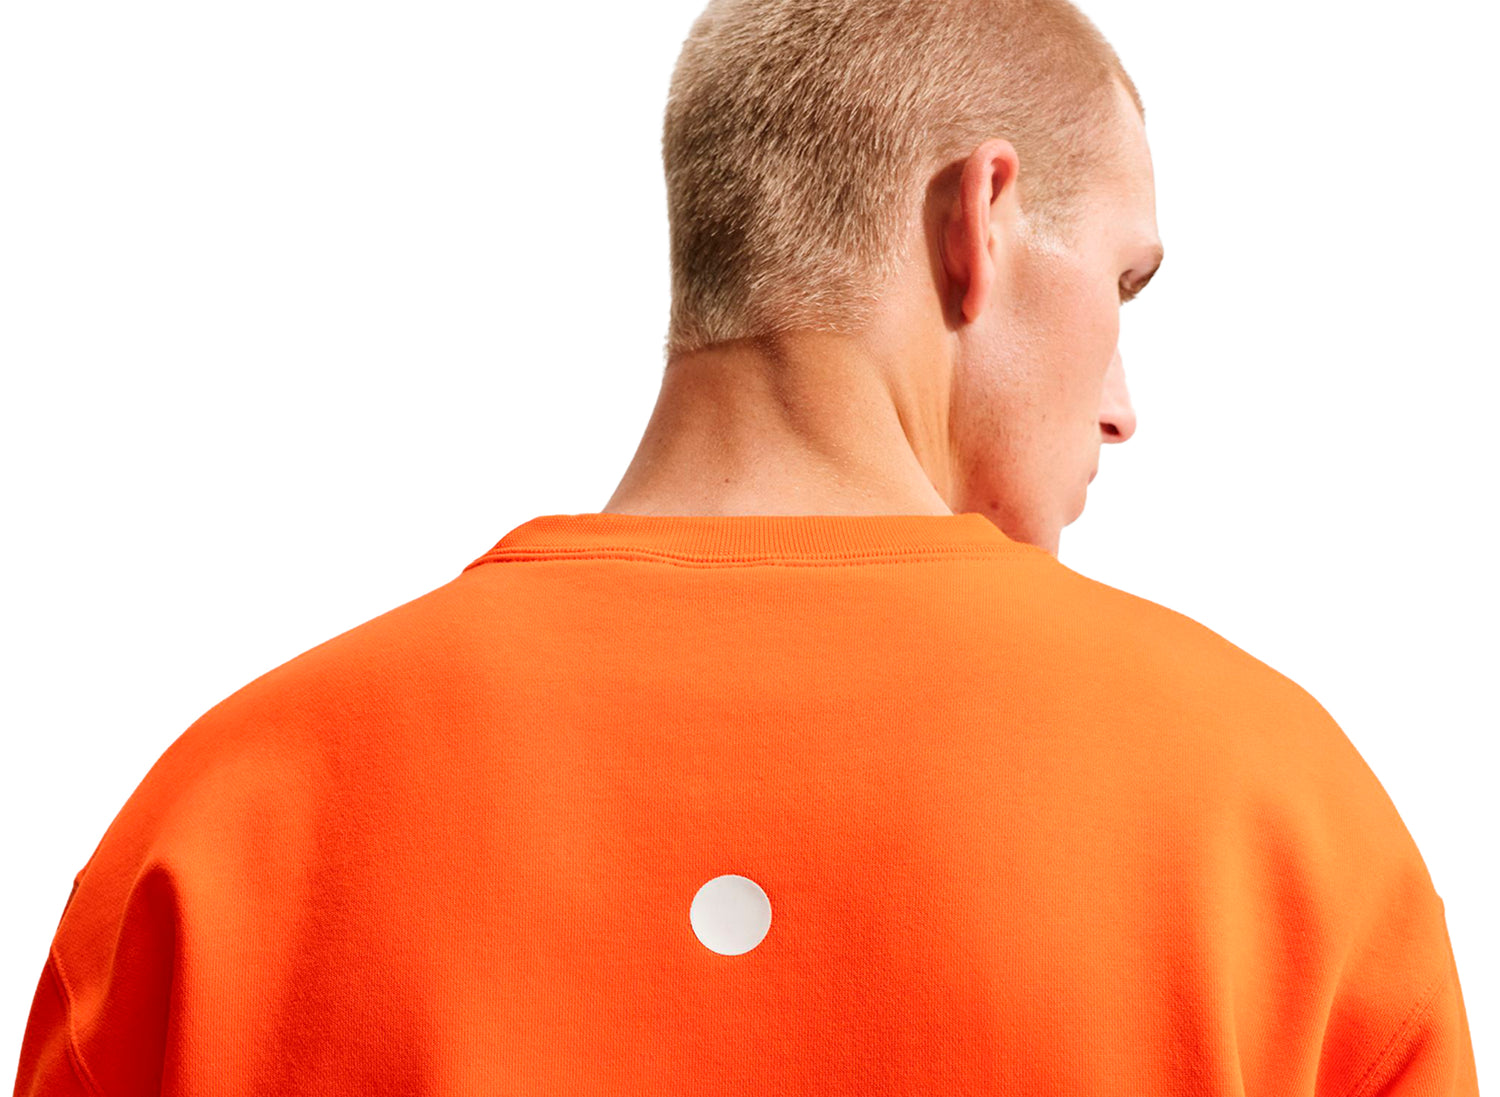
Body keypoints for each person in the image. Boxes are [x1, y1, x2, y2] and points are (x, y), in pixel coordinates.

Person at [13, 0, 1480, 1093]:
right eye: (1124, 281)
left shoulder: (224, 826)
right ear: (980, 218)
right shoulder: (1277, 820)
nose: (1121, 408)